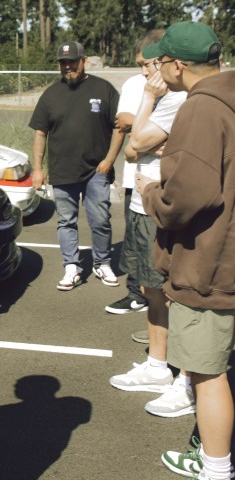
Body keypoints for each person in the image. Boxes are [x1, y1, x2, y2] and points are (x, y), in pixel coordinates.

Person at [133, 22, 235, 480]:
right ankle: (215, 458)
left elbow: (188, 197)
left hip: (209, 263)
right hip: (227, 255)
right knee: (220, 368)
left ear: (176, 65)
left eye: (160, 62)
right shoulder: (228, 96)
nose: (157, 70)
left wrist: (152, 192)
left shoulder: (201, 107)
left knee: (207, 372)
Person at [108, 46, 191, 417]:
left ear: (168, 63)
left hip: (165, 207)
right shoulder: (159, 99)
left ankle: (186, 378)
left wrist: (147, 106)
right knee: (150, 287)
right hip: (144, 204)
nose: (143, 73)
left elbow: (137, 142)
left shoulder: (177, 99)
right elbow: (132, 151)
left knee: (177, 294)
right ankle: (158, 366)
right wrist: (149, 139)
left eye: (147, 65)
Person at [29, 41, 125, 290]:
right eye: (63, 62)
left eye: (72, 61)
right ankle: (71, 266)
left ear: (84, 61)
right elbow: (40, 133)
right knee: (66, 222)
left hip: (96, 171)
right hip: (62, 171)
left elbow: (119, 127)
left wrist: (109, 160)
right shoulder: (51, 94)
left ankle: (102, 263)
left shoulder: (103, 89)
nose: (67, 66)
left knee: (101, 220)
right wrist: (37, 169)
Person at [105, 30, 164, 316]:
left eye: (146, 64)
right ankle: (136, 294)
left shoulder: (179, 89)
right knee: (137, 244)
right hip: (135, 178)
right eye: (139, 64)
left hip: (166, 183)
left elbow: (136, 127)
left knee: (162, 250)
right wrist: (152, 133)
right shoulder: (134, 84)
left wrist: (140, 125)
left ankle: (160, 306)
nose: (142, 71)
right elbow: (123, 123)